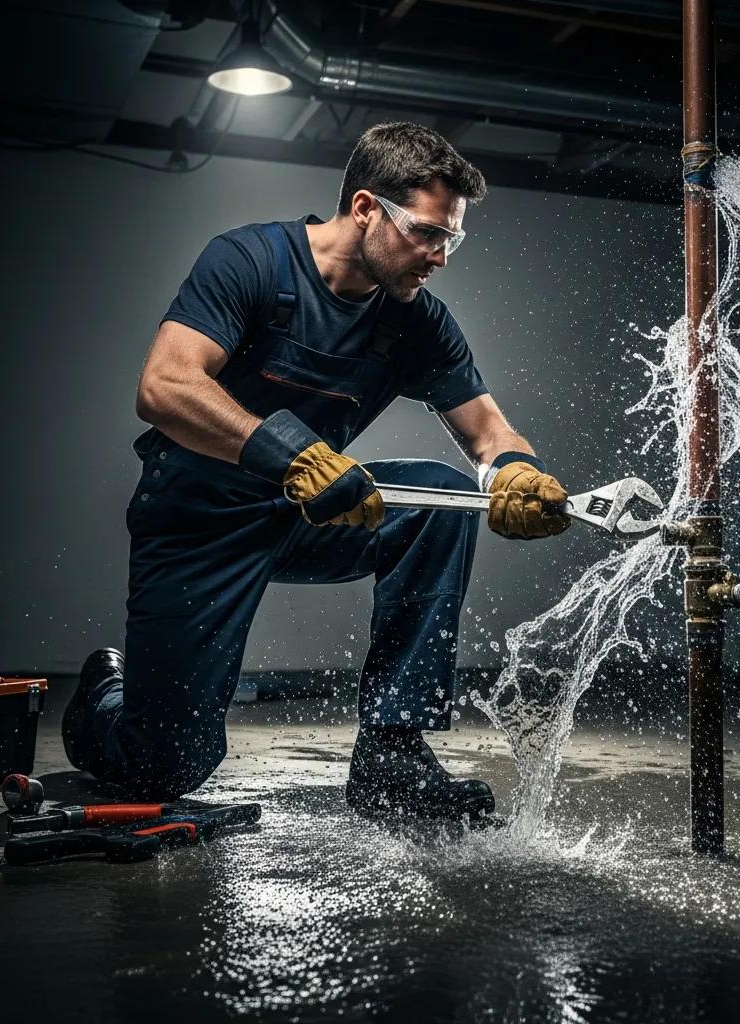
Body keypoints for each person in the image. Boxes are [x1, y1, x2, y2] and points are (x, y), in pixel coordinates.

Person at [62, 122, 570, 821]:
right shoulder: (250, 262)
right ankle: (103, 697)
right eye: (427, 233)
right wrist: (291, 455)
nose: (440, 255)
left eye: (452, 239)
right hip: (197, 520)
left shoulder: (417, 321)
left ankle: (392, 752)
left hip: (309, 512)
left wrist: (515, 472)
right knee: (166, 767)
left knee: (445, 498)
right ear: (365, 207)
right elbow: (166, 386)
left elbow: (488, 431)